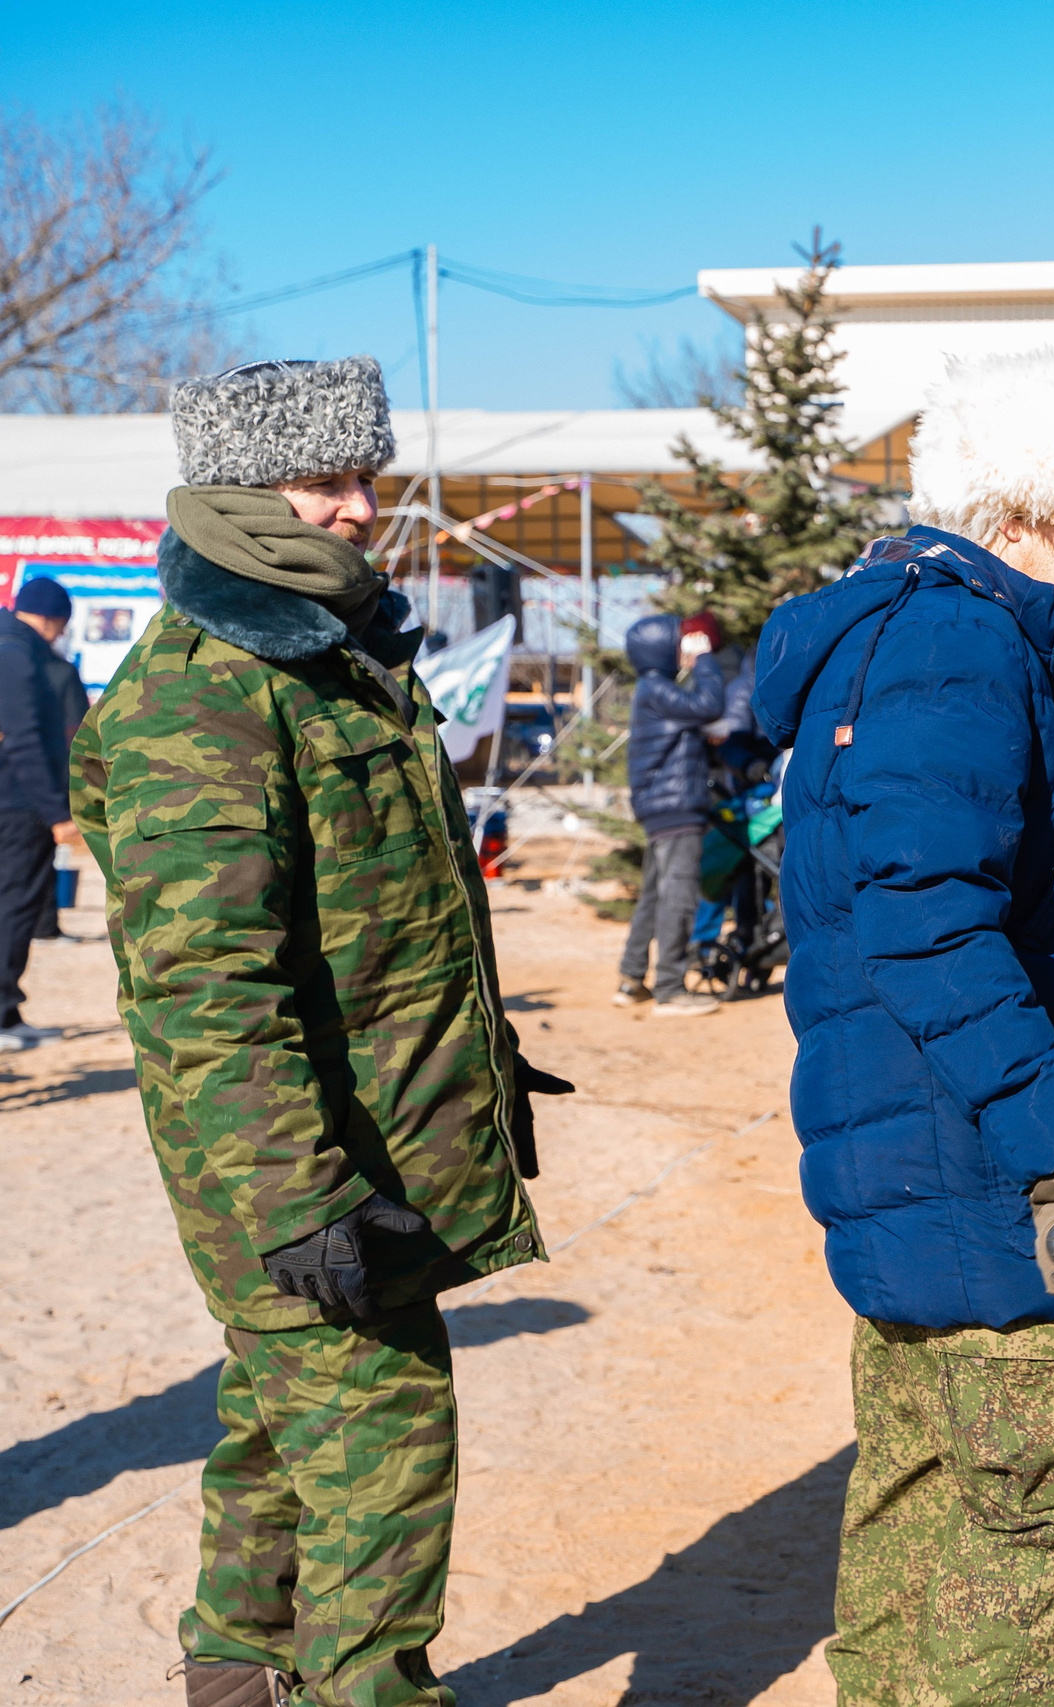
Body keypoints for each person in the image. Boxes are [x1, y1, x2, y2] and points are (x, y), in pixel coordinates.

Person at [73, 356, 568, 1707]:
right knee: (386, 1451)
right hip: (295, 1170)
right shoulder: (209, 686)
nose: (359, 505)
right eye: (324, 479)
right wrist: (298, 1202)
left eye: (366, 474)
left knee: (278, 1425)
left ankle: (236, 1668)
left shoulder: (335, 648)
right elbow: (202, 988)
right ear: (237, 489)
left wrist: (481, 1058)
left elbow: (392, 918)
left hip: (377, 1134)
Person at [752, 348, 1054, 1707]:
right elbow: (927, 923)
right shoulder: (958, 644)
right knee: (1038, 1510)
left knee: (916, 1501)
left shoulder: (903, 634)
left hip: (911, 1170)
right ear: (1016, 510)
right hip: (979, 1183)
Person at [615, 611, 725, 1016]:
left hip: (662, 806)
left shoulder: (653, 689)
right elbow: (710, 703)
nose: (684, 646)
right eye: (679, 641)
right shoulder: (658, 687)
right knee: (678, 895)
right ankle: (671, 988)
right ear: (660, 647)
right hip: (675, 806)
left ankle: (631, 977)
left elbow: (689, 721)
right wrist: (706, 660)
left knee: (656, 894)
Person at [8, 576, 81, 951]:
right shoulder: (22, 656)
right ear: (52, 621)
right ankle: (4, 1008)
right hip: (23, 801)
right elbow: (28, 740)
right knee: (18, 901)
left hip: (18, 795)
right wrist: (58, 812)